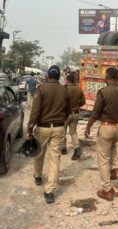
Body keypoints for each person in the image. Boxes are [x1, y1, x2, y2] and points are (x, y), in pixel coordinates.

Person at [85, 67, 118, 202]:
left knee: (103, 158)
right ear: (117, 78)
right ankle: (115, 169)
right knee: (112, 145)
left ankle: (106, 190)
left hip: (107, 127)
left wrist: (88, 127)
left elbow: (95, 113)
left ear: (107, 78)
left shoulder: (103, 92)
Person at [27, 65, 68, 203]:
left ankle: (38, 176)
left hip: (43, 128)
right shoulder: (64, 90)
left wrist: (30, 127)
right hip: (58, 128)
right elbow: (68, 110)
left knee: (39, 153)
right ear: (58, 77)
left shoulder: (42, 89)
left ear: (48, 76)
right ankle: (50, 191)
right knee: (55, 159)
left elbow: (35, 111)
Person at [64, 73, 86, 160]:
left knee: (63, 131)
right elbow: (83, 102)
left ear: (67, 80)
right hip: (76, 113)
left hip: (66, 114)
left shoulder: (65, 89)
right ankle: (77, 149)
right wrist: (77, 106)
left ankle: (63, 148)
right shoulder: (79, 90)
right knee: (73, 132)